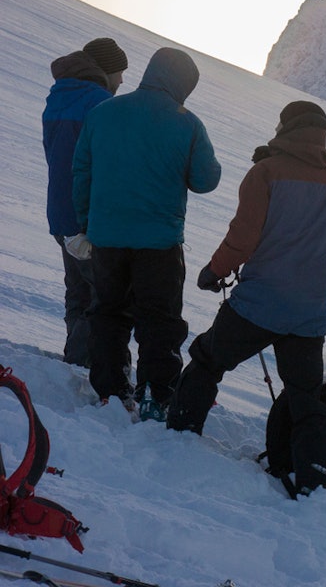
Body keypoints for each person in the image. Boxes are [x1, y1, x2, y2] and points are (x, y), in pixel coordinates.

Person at [167, 101, 326, 493]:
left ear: (284, 127)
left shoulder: (265, 172)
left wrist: (215, 270)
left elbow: (244, 236)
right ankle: (315, 476)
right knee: (305, 395)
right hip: (311, 309)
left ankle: (179, 433)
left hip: (262, 301)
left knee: (208, 359)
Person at [72, 47, 220, 419]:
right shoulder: (187, 123)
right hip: (159, 243)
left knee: (108, 313)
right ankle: (157, 393)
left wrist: (87, 223)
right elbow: (206, 180)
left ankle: (111, 391)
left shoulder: (102, 112)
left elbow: (82, 171)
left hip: (107, 237)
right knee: (160, 320)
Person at [42, 38, 128, 366]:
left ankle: (75, 361)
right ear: (105, 70)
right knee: (104, 296)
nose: (122, 80)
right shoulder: (101, 104)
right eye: (119, 72)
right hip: (88, 217)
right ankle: (82, 364)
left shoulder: (58, 96)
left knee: (78, 290)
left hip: (60, 213)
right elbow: (109, 167)